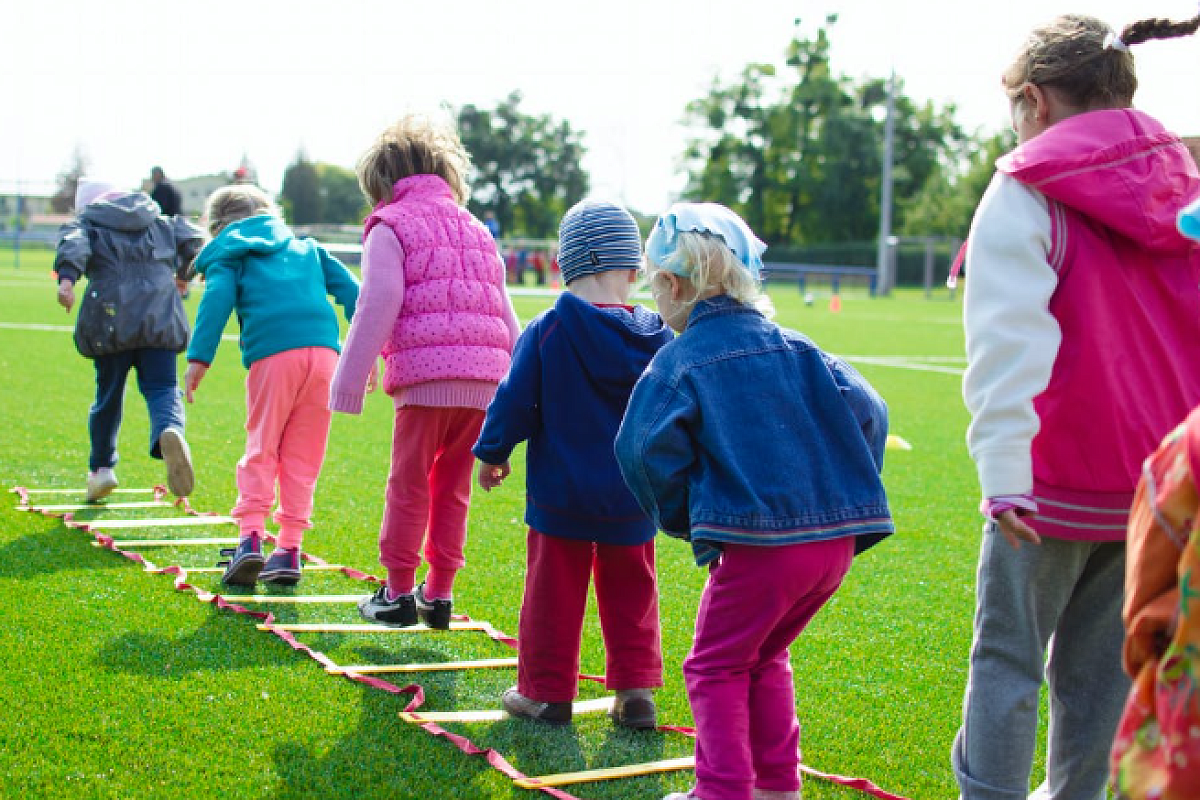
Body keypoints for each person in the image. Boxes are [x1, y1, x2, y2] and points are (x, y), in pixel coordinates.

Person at [953, 13, 1200, 800]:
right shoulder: (1186, 183)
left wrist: (1003, 475)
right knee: (1103, 674)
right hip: (1160, 488)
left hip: (1049, 482)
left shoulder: (1025, 188)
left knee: (1008, 659)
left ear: (1034, 100)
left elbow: (1006, 346)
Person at [614, 203, 893, 800]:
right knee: (764, 655)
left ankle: (723, 791)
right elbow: (872, 410)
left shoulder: (681, 359)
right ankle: (776, 786)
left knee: (713, 666)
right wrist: (844, 491)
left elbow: (639, 448)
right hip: (832, 549)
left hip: (762, 550)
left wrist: (685, 518)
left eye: (654, 286)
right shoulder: (800, 347)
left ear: (672, 284)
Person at [474, 200, 674, 728]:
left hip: (560, 494)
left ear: (566, 264)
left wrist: (492, 453)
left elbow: (514, 401)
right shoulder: (661, 336)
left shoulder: (548, 329)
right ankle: (636, 694)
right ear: (633, 269)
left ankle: (546, 693)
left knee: (552, 594)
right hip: (634, 494)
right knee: (633, 591)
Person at [330, 115, 519, 629]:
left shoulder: (390, 226)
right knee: (452, 487)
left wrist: (350, 377)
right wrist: (520, 389)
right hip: (485, 382)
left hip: (425, 379)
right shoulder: (477, 228)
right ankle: (438, 594)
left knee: (408, 483)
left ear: (382, 185)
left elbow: (379, 300)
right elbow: (505, 312)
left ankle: (395, 593)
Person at [183, 185, 359, 587]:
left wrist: (199, 358)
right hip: (325, 357)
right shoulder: (308, 249)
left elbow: (217, 299)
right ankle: (289, 549)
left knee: (262, 446)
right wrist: (367, 350)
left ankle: (250, 540)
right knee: (304, 455)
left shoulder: (231, 254)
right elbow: (355, 294)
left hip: (274, 355)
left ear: (217, 226)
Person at [54, 179, 203, 502]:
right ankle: (170, 429)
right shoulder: (158, 219)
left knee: (108, 395)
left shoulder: (89, 223)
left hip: (110, 318)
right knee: (163, 387)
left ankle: (102, 468)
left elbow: (74, 244)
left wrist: (67, 280)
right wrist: (183, 275)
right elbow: (193, 241)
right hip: (161, 315)